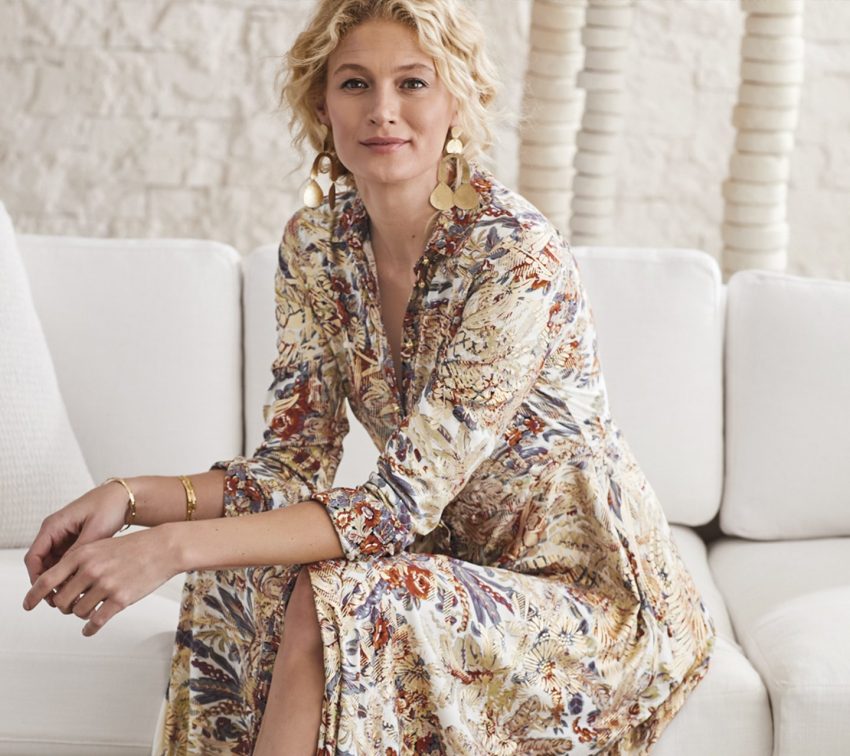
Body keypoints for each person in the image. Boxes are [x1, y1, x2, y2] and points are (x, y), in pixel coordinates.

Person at [21, 0, 716, 753]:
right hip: (459, 568)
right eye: (355, 84)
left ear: (457, 101)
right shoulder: (317, 248)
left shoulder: (515, 256)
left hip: (591, 606)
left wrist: (170, 546)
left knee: (339, 601)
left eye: (412, 83)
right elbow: (294, 467)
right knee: (241, 575)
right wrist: (131, 499)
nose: (383, 111)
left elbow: (398, 505)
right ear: (322, 104)